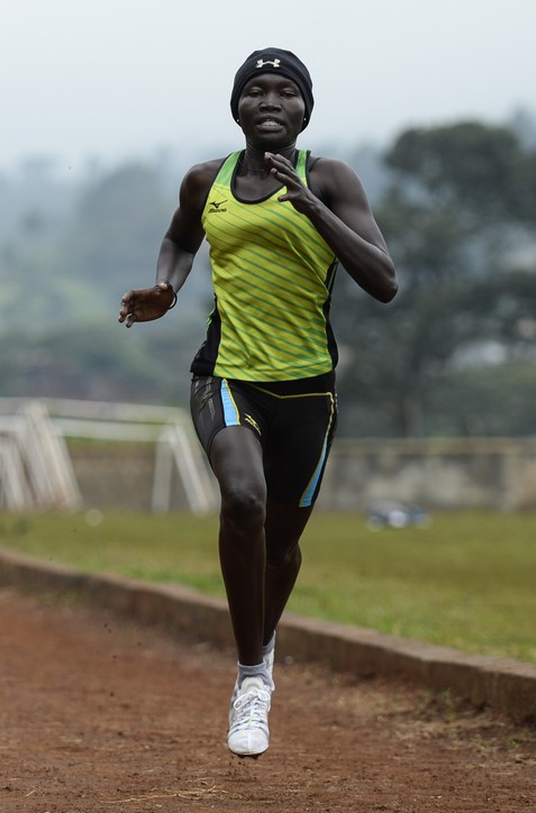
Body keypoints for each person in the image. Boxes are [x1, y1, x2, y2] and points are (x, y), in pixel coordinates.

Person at [118, 47, 397, 757]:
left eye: (286, 92)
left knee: (282, 547)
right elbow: (181, 239)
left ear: (306, 109)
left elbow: (384, 278)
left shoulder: (329, 179)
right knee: (242, 499)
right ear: (236, 106)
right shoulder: (203, 180)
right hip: (228, 372)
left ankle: (260, 652)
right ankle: (252, 681)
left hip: (307, 388)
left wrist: (313, 210)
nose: (271, 101)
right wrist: (167, 287)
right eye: (256, 91)